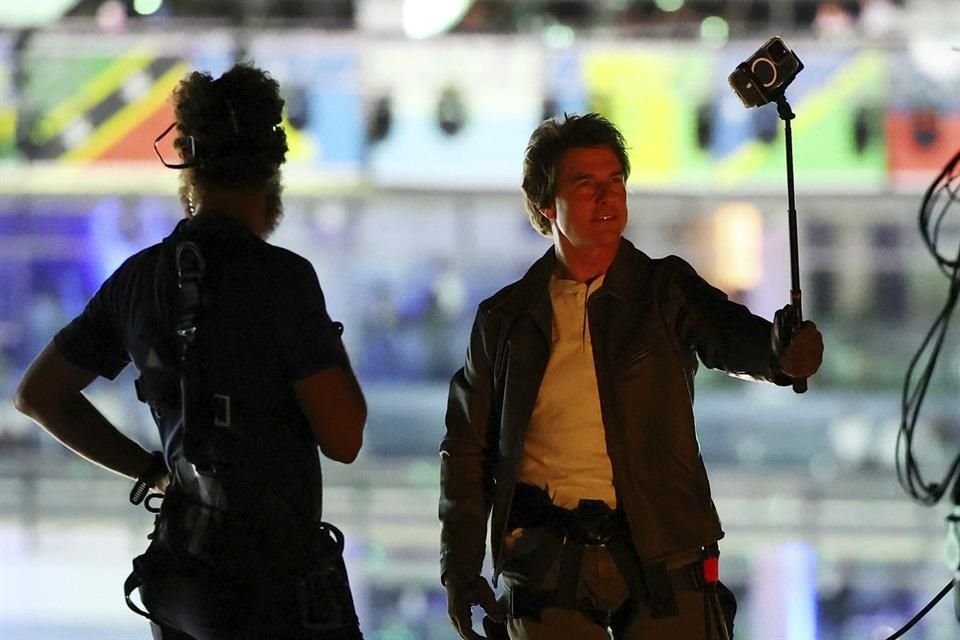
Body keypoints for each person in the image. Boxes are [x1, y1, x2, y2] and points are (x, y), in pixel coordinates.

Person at [13, 63, 367, 639]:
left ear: (188, 162)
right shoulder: (283, 279)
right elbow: (344, 437)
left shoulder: (137, 280)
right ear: (272, 166)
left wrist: (152, 472)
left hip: (181, 577)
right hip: (272, 587)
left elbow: (39, 395)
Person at [439, 113, 823, 640]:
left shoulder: (665, 289)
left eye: (616, 180)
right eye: (586, 184)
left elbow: (732, 335)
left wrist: (781, 354)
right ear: (546, 204)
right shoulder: (504, 320)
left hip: (664, 549)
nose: (607, 196)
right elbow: (466, 450)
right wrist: (459, 570)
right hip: (547, 559)